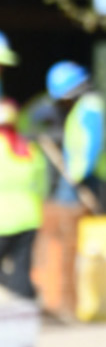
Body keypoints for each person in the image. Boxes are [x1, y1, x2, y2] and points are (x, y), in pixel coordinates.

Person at [0, 98, 49, 301]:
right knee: (21, 268)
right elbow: (43, 186)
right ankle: (25, 307)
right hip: (29, 216)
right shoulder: (29, 149)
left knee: (15, 273)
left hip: (3, 220)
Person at [45, 61, 106, 208]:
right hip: (76, 173)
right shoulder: (80, 108)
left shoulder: (90, 106)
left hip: (86, 175)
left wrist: (79, 174)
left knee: (71, 215)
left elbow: (93, 143)